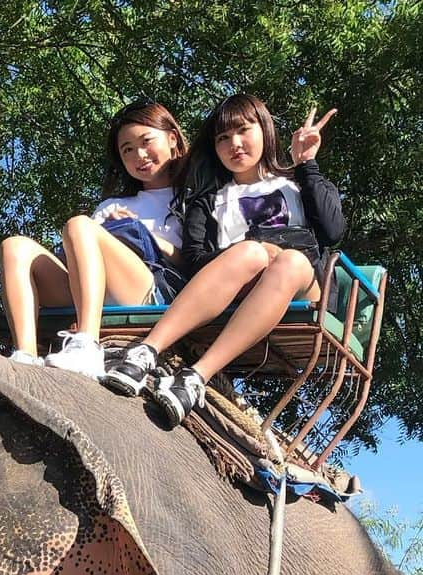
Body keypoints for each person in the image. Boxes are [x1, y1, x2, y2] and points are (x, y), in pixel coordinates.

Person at [102, 94, 344, 424]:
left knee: (288, 262)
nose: (235, 144)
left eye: (244, 131)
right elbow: (196, 261)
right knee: (250, 252)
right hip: (243, 283)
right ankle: (148, 353)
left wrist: (307, 164)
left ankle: (198, 374)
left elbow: (332, 231)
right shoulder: (208, 201)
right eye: (223, 138)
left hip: (303, 283)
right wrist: (259, 251)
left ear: (265, 130)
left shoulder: (294, 182)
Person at [0, 99, 189, 379]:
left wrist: (146, 235)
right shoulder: (112, 204)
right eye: (128, 150)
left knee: (79, 225)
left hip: (153, 287)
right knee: (14, 246)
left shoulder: (194, 197)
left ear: (172, 138)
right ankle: (25, 355)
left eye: (146, 141)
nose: (139, 155)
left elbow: (199, 263)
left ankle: (87, 342)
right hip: (90, 291)